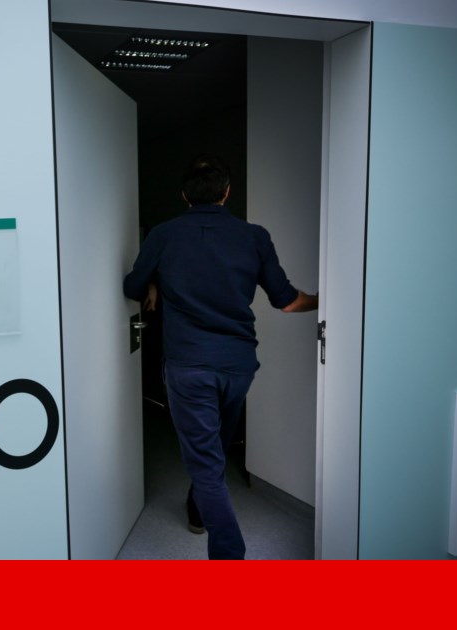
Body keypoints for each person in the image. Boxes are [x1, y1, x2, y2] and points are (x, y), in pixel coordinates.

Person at [123, 156, 317, 560]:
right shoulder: (254, 236)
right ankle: (198, 511)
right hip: (237, 366)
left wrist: (154, 281)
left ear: (184, 195)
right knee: (213, 447)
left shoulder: (163, 235)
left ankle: (228, 554)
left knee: (207, 462)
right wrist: (322, 300)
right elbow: (286, 301)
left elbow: (131, 287)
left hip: (189, 366)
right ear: (227, 193)